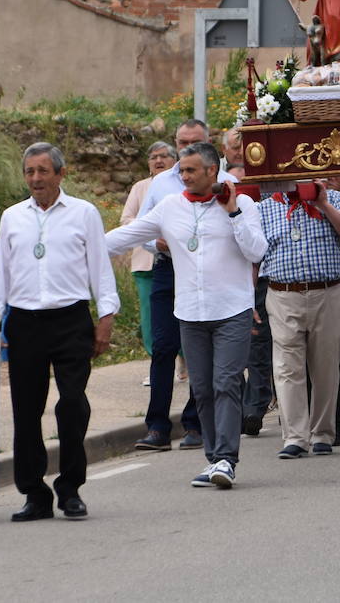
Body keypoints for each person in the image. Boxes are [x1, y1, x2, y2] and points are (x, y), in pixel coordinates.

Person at [105, 142, 265, 488]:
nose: (184, 176)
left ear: (212, 171)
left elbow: (257, 250)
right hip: (190, 312)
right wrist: (80, 245)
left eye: (191, 170)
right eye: (182, 171)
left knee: (226, 383)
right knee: (203, 389)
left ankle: (226, 457)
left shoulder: (244, 204)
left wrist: (233, 211)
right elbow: (126, 236)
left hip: (232, 310)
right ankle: (214, 458)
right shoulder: (169, 207)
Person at [0, 144, 118, 521]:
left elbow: (99, 268)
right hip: (24, 322)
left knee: (72, 404)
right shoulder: (12, 216)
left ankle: (70, 488)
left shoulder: (84, 213)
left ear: (61, 174)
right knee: (26, 410)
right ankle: (34, 494)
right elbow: (1, 270)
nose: (36, 179)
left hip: (70, 320)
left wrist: (105, 316)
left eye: (43, 171)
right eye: (30, 172)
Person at [137, 119, 237, 450]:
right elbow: (142, 229)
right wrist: (158, 245)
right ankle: (157, 427)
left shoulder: (227, 185)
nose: (184, 149)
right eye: (181, 142)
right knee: (163, 346)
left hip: (210, 274)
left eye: (193, 142)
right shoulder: (161, 185)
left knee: (201, 350)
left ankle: (195, 424)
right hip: (169, 269)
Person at [255, 178, 340, 458]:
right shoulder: (264, 208)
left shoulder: (334, 198)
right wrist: (246, 299)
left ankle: (323, 433)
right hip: (282, 294)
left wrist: (323, 204)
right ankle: (295, 437)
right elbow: (253, 256)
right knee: (287, 368)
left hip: (327, 292)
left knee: (325, 367)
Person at [120, 141, 176, 371]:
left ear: (174, 160)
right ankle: (157, 363)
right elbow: (126, 219)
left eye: (163, 156)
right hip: (146, 260)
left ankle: (185, 362)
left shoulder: (179, 184)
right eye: (153, 157)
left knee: (180, 315)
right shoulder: (140, 187)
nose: (158, 161)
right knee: (150, 317)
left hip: (176, 260)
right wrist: (152, 229)